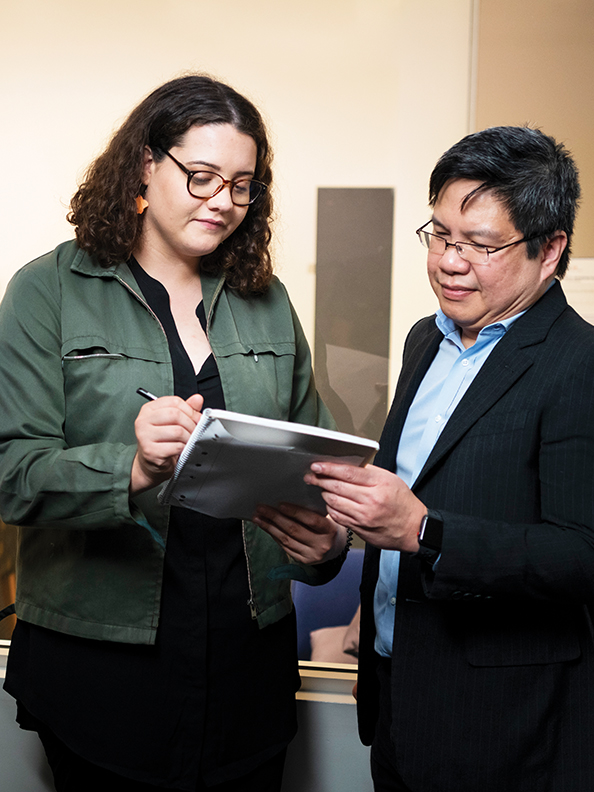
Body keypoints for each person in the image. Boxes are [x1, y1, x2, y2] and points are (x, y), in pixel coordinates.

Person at [0, 74, 347, 792]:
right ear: (144, 166)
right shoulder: (48, 291)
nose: (223, 200)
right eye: (201, 176)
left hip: (248, 659)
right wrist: (130, 466)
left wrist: (328, 544)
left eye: (243, 185)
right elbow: (12, 471)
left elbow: (320, 464)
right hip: (102, 665)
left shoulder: (267, 300)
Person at [256, 126, 594, 791]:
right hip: (396, 696)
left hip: (507, 727)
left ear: (549, 249)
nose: (449, 261)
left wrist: (424, 531)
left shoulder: (577, 365)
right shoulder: (424, 340)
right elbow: (404, 490)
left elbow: (580, 556)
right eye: (439, 234)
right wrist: (337, 531)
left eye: (481, 244)